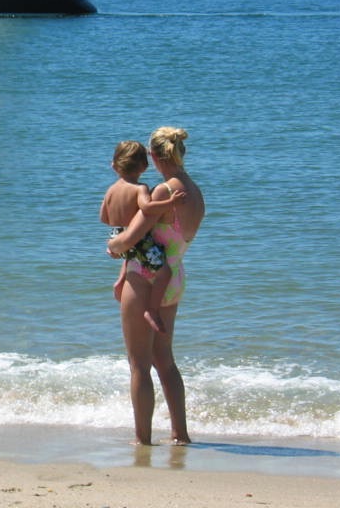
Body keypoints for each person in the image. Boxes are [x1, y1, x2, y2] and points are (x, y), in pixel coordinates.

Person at [107, 127, 205, 446]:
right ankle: (180, 434)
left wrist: (114, 247)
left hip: (145, 280)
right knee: (165, 359)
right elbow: (165, 240)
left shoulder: (163, 192)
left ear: (153, 156)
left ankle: (143, 440)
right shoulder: (195, 191)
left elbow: (131, 237)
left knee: (139, 364)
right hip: (173, 277)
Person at [99, 141, 184, 324]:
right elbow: (147, 207)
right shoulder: (140, 188)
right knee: (165, 273)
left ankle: (120, 281)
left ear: (114, 165)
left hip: (117, 233)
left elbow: (103, 217)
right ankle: (152, 310)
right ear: (144, 167)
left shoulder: (111, 190)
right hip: (138, 239)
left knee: (131, 258)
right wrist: (170, 203)